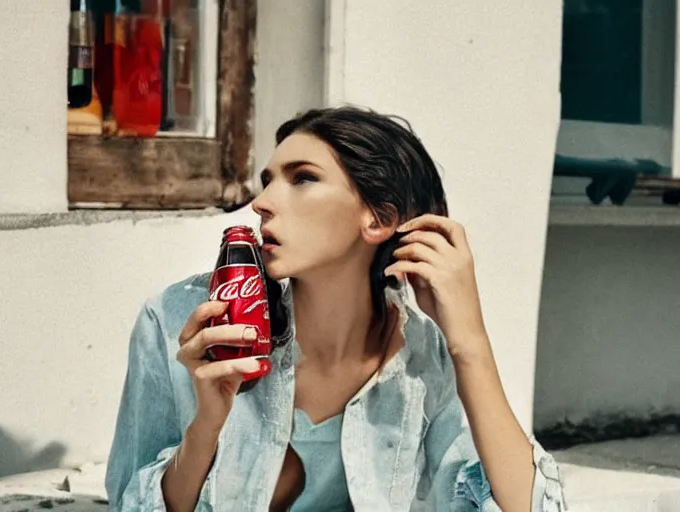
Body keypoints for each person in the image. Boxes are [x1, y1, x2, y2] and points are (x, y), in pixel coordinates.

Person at [105, 106, 566, 511]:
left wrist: (470, 343)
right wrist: (206, 425)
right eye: (267, 183)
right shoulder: (179, 323)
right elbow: (130, 503)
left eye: (302, 178)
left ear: (379, 219)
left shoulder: (424, 359)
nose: (262, 204)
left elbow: (524, 506)